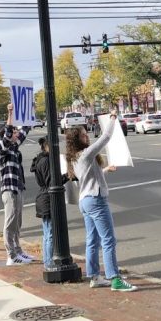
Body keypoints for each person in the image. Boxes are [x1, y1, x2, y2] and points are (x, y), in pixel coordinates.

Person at [66, 111, 136, 291]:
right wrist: (113, 119)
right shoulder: (86, 153)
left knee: (93, 240)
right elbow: (106, 137)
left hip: (85, 200)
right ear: (77, 139)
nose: (86, 136)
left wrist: (105, 170)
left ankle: (94, 276)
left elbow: (87, 178)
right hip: (96, 200)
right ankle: (115, 279)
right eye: (83, 134)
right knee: (108, 240)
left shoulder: (74, 157)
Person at [0, 103, 32, 265]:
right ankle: (10, 254)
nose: (17, 133)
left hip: (18, 188)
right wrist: (10, 112)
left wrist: (30, 109)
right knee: (10, 221)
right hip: (9, 190)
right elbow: (9, 133)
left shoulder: (15, 147)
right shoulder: (1, 149)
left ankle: (18, 251)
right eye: (13, 132)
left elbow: (26, 129)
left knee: (18, 221)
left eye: (16, 132)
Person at [30, 137, 68, 269]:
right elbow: (51, 182)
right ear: (47, 147)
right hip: (47, 199)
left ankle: (48, 261)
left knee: (48, 234)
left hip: (44, 198)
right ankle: (49, 263)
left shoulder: (41, 159)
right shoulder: (45, 161)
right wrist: (66, 177)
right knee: (50, 234)